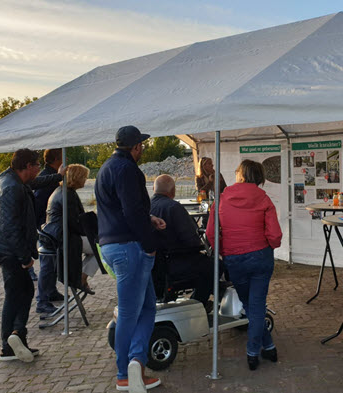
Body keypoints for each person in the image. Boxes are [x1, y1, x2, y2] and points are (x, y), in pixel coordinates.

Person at [96, 125, 164, 392]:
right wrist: (149, 245)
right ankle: (124, 373)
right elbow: (132, 211)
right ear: (136, 147)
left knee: (147, 307)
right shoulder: (128, 170)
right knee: (128, 312)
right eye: (142, 145)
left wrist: (149, 219)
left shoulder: (106, 168)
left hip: (111, 246)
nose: (143, 149)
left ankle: (136, 361)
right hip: (129, 248)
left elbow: (121, 209)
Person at [206, 159, 282, 371]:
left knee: (251, 304)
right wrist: (270, 246)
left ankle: (267, 347)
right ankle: (256, 350)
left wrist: (224, 252)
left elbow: (211, 234)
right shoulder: (265, 199)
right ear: (259, 177)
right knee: (255, 305)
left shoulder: (221, 199)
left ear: (240, 174)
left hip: (234, 258)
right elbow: (275, 235)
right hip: (260, 257)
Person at [0, 148, 63, 363]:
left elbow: (36, 183)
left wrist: (59, 175)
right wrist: (24, 258)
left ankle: (16, 339)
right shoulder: (12, 188)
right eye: (37, 166)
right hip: (10, 251)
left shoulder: (9, 178)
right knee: (16, 293)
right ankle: (10, 341)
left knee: (21, 291)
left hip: (6, 248)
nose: (39, 170)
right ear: (28, 166)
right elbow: (10, 227)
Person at [39, 164, 98, 315]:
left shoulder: (62, 191)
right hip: (63, 238)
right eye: (84, 177)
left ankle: (82, 276)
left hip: (56, 235)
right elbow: (76, 224)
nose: (86, 180)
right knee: (101, 248)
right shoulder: (68, 195)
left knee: (97, 247)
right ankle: (81, 277)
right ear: (77, 178)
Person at [150, 174, 213, 308]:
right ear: (173, 192)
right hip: (174, 262)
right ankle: (198, 304)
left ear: (154, 189)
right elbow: (192, 240)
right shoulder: (173, 207)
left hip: (153, 265)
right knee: (214, 266)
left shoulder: (144, 209)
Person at [34, 148, 65, 304]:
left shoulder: (49, 176)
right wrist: (42, 225)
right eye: (62, 157)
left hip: (49, 227)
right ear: (56, 159)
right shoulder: (47, 178)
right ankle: (43, 299)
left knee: (52, 261)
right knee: (47, 263)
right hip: (46, 228)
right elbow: (38, 202)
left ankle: (51, 291)